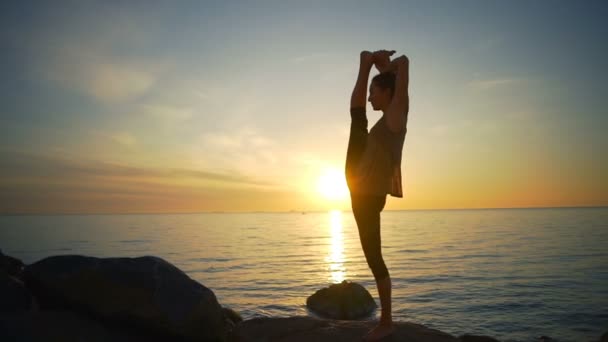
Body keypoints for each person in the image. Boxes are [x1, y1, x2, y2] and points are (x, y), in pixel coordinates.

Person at [345, 49, 409, 341]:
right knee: (357, 117)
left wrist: (394, 68)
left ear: (386, 93)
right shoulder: (386, 120)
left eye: (373, 91)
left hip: (367, 195)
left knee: (374, 258)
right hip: (361, 186)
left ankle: (386, 322)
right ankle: (364, 61)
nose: (371, 97)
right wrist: (380, 68)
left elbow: (405, 66)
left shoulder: (396, 118)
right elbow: (363, 106)